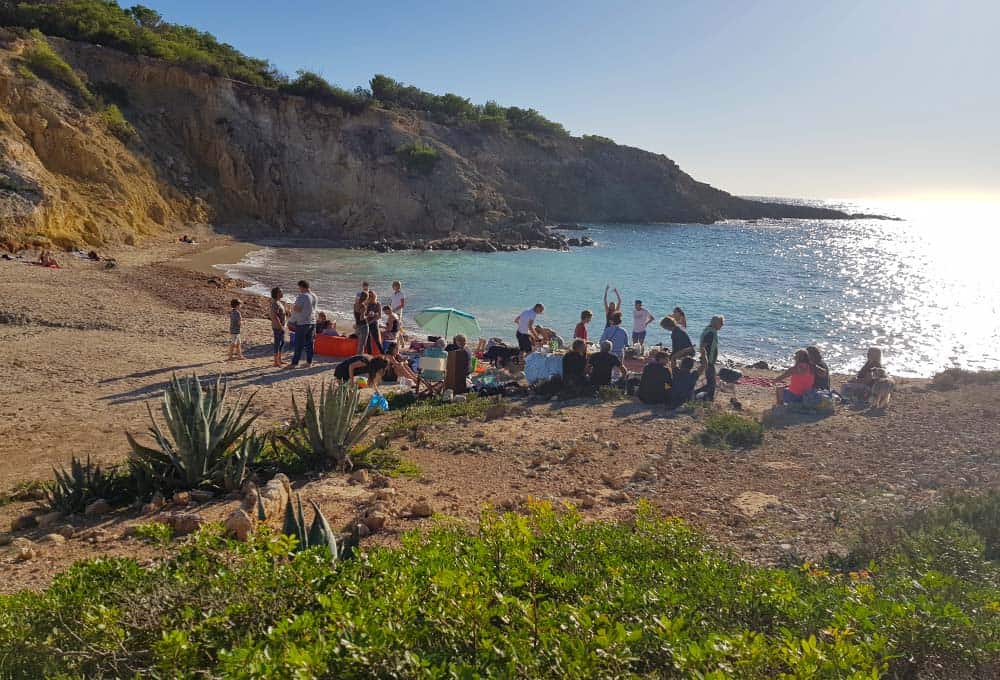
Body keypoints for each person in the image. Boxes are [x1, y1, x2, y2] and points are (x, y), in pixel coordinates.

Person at [287, 280, 318, 369]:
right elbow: (313, 310)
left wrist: (291, 320)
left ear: (302, 287)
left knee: (299, 344)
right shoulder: (314, 296)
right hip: (312, 322)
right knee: (310, 343)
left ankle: (294, 363)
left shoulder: (303, 296)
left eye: (299, 287)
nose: (299, 289)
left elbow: (297, 310)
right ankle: (309, 362)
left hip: (302, 323)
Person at [697, 315, 725, 400]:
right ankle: (700, 395)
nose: (722, 325)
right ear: (716, 323)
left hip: (708, 360)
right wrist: (705, 360)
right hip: (708, 361)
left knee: (711, 381)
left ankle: (705, 397)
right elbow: (703, 346)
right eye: (721, 323)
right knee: (712, 382)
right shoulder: (711, 333)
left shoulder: (708, 330)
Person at [269, 287, 287, 367]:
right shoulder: (275, 303)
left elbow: (281, 314)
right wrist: (280, 327)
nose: (282, 293)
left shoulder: (279, 302)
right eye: (281, 292)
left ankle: (279, 359)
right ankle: (276, 362)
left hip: (282, 326)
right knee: (277, 343)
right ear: (277, 294)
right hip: (277, 327)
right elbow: (275, 316)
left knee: (282, 343)